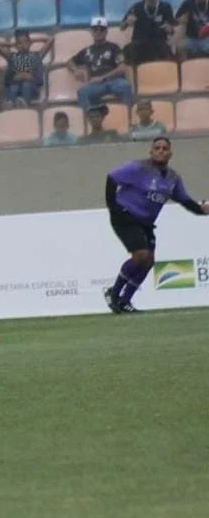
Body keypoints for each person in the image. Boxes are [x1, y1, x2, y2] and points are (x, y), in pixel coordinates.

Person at [103, 138, 209, 313]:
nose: (161, 151)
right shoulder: (138, 168)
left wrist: (202, 210)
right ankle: (113, 293)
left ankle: (125, 301)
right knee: (140, 255)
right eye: (157, 148)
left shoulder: (172, 178)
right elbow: (112, 178)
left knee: (148, 261)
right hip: (125, 216)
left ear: (170, 153)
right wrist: (113, 208)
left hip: (145, 223)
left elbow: (185, 201)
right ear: (150, 152)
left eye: (164, 148)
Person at [69, 16, 133, 110]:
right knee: (82, 92)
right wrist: (75, 70)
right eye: (95, 29)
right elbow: (69, 62)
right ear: (91, 31)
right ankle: (90, 120)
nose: (98, 32)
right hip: (95, 85)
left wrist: (102, 78)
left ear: (106, 32)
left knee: (125, 86)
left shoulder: (114, 47)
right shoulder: (87, 51)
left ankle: (128, 118)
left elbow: (122, 68)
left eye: (102, 29)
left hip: (114, 81)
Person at [0, 30, 52, 107]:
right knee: (13, 87)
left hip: (31, 86)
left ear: (29, 43)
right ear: (16, 45)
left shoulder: (36, 55)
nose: (22, 45)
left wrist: (32, 41)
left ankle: (25, 105)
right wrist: (12, 44)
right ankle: (11, 106)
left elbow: (51, 39)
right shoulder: (12, 56)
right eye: (19, 43)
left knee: (26, 85)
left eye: (25, 42)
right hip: (15, 85)